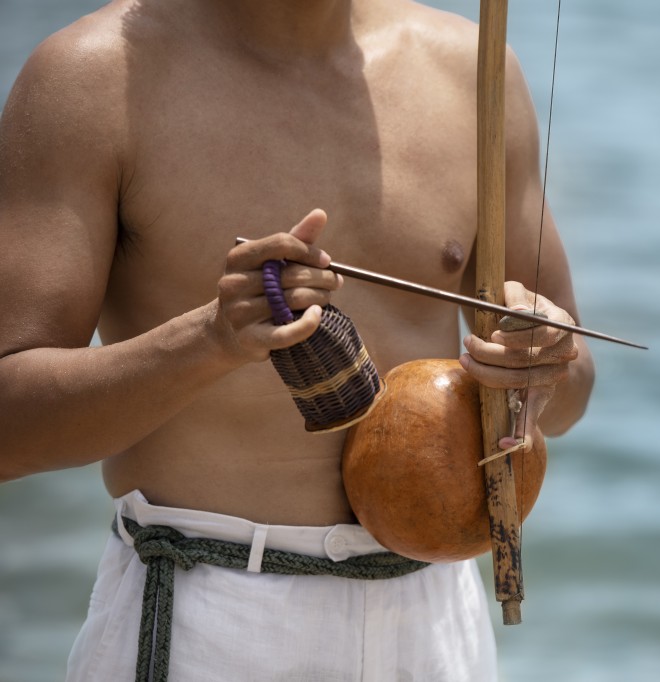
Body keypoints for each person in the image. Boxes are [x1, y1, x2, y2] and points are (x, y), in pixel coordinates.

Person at [0, 0, 595, 680]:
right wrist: (211, 339)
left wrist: (543, 367)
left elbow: (571, 397)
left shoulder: (474, 71)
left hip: (434, 620)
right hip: (213, 609)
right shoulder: (90, 79)